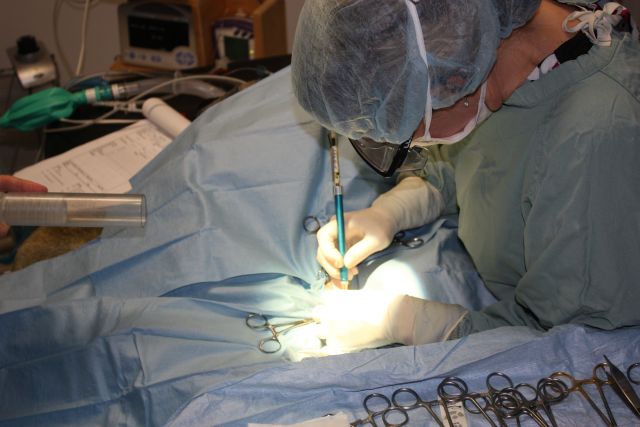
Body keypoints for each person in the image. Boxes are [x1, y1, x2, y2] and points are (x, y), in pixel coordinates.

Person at [292, 0, 640, 349]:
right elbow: (471, 157)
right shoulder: (499, 59)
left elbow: (581, 341)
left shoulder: (596, 142)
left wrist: (411, 323)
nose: (413, 144)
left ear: (454, 79)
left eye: (404, 130)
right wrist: (393, 210)